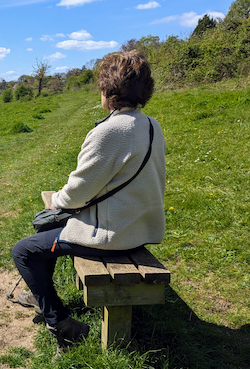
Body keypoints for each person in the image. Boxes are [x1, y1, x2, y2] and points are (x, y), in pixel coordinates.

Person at [11, 50, 166, 352]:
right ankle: (43, 302)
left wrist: (56, 199)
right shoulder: (151, 125)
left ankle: (61, 323)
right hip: (139, 227)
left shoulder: (109, 131)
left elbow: (77, 192)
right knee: (46, 233)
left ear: (108, 91)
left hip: (114, 235)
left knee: (24, 251)